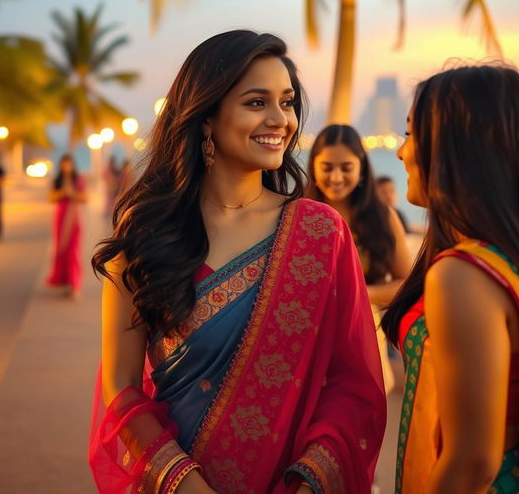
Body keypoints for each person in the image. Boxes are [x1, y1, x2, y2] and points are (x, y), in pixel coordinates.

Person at [89, 31, 386, 494]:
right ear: (206, 116)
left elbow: (353, 385)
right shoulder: (146, 232)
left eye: (287, 102)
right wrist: (188, 485)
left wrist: (307, 483)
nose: (279, 120)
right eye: (256, 103)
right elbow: (121, 388)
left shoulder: (319, 233)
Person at [381, 65, 519, 494]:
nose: (401, 153)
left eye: (410, 134)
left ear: (455, 148)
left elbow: (471, 461)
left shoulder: (462, 274)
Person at [306, 125, 411, 397]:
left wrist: (356, 293)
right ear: (313, 166)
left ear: (362, 168)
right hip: (304, 341)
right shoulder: (297, 212)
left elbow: (408, 284)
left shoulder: (382, 217)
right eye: (327, 167)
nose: (336, 177)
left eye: (346, 167)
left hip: (361, 336)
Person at [46, 155, 87, 299]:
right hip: (61, 217)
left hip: (74, 218)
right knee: (61, 249)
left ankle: (75, 285)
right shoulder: (57, 181)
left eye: (69, 164)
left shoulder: (79, 180)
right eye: (64, 164)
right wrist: (62, 192)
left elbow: (85, 198)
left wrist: (72, 193)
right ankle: (66, 282)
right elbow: (51, 197)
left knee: (73, 250)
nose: (67, 167)